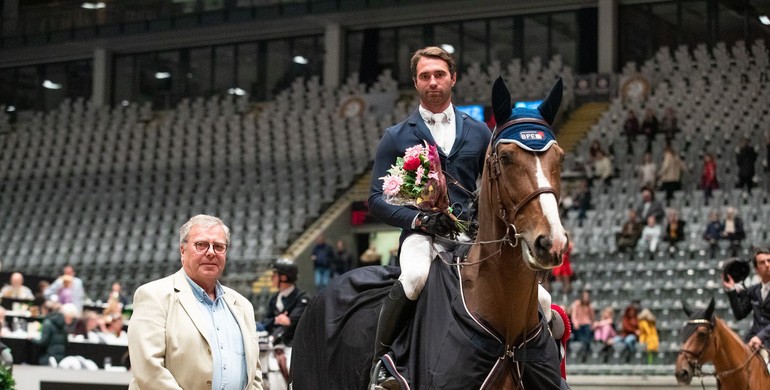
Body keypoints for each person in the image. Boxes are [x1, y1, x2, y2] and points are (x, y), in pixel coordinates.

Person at [367, 46, 491, 386]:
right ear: (415, 83)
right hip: (422, 236)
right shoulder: (396, 135)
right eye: (425, 76)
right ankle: (382, 361)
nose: (433, 82)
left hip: (470, 239)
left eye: (439, 75)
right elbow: (375, 200)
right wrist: (418, 220)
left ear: (453, 78)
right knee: (415, 278)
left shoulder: (479, 131)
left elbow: (494, 188)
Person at [127, 214, 263, 390]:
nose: (211, 252)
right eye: (201, 245)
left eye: (219, 246)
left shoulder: (243, 306)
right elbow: (148, 369)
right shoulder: (154, 296)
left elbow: (255, 374)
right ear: (182, 250)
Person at [723, 248, 770, 351]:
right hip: (753, 340)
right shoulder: (753, 290)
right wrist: (731, 289)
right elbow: (740, 314)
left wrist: (760, 337)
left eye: (769, 261)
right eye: (762, 262)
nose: (767, 265)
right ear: (756, 269)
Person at [261, 259, 308, 349]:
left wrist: (273, 334)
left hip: (294, 347)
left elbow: (291, 323)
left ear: (283, 277)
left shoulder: (302, 299)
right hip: (274, 346)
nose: (271, 278)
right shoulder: (274, 298)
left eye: (274, 275)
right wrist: (276, 319)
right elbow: (265, 322)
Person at [569, 290, 596, 362]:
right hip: (579, 325)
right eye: (585, 296)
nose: (586, 298)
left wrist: (592, 324)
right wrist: (575, 323)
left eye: (587, 297)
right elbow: (574, 315)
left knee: (586, 341)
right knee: (580, 340)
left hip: (587, 324)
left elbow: (592, 317)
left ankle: (585, 355)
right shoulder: (577, 304)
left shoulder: (590, 306)